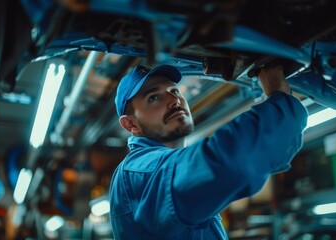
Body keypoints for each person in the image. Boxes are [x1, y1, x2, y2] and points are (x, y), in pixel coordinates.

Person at [109, 64, 308, 239]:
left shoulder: (155, 168)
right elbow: (230, 162)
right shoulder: (139, 170)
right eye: (154, 97)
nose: (174, 100)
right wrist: (278, 98)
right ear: (131, 123)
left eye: (175, 91)